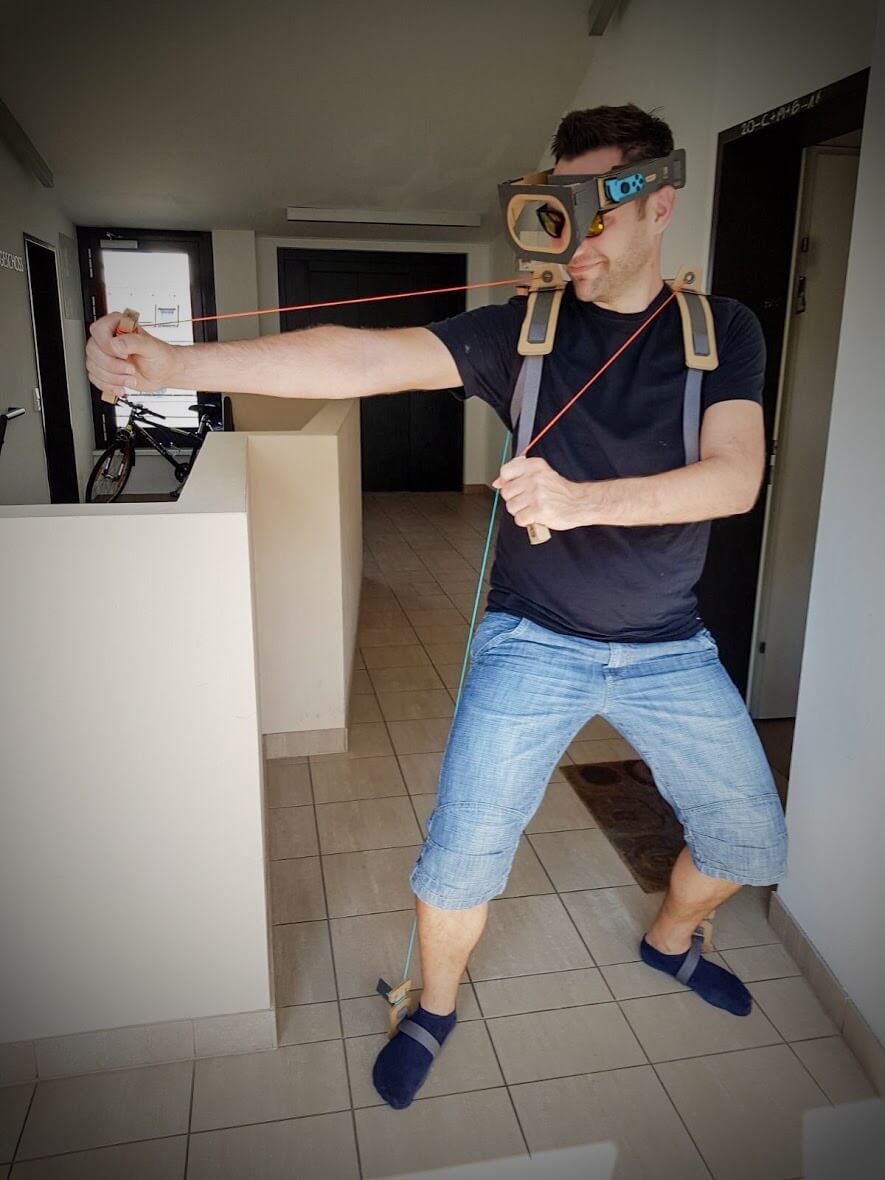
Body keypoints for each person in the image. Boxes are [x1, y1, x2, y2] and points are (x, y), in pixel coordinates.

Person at [86, 103, 787, 1113]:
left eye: (593, 214)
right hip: (532, 639)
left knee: (750, 841)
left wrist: (578, 501)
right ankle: (434, 1005)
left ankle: (671, 938)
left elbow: (733, 478)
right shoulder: (523, 331)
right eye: (557, 214)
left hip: (670, 647)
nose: (570, 242)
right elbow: (358, 359)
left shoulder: (724, 332)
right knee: (457, 864)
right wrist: (179, 363)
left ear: (658, 203)